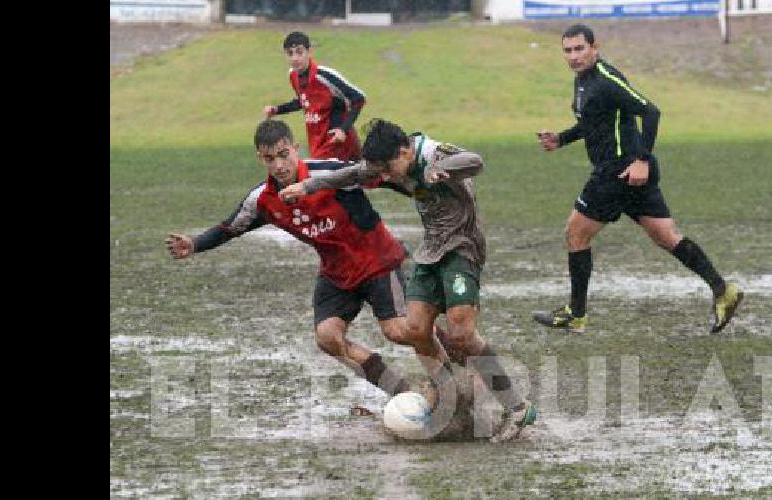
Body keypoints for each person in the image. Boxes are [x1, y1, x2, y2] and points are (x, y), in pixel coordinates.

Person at [280, 118, 539, 443]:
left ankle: (516, 406)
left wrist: (441, 169)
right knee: (416, 330)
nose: (386, 178)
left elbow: (475, 161)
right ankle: (452, 397)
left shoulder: (434, 153)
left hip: (462, 248)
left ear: (404, 151)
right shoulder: (388, 164)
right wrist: (308, 186)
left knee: (461, 332)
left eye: (388, 169)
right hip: (430, 252)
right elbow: (352, 173)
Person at [165, 119, 449, 401]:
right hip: (337, 274)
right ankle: (402, 392)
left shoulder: (328, 172)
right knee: (328, 337)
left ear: (295, 148)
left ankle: (451, 382)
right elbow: (230, 228)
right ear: (260, 159)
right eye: (269, 158)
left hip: (378, 261)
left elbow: (383, 174)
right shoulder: (262, 199)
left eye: (283, 154)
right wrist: (194, 244)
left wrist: (427, 186)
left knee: (399, 331)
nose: (279, 165)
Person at [532, 24, 743, 335]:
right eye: (568, 50)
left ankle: (575, 314)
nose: (574, 56)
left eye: (579, 49)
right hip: (628, 174)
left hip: (616, 172)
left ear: (594, 47)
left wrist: (642, 160)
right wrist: (561, 139)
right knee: (666, 236)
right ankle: (723, 291)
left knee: (575, 233)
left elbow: (651, 112)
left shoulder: (606, 80)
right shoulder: (583, 81)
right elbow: (592, 122)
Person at [262, 31, 367, 161]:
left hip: (336, 143)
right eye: (290, 53)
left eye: (299, 52)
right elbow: (304, 101)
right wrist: (277, 109)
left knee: (315, 178)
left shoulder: (324, 76)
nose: (295, 58)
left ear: (309, 52)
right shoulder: (293, 75)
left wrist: (343, 130)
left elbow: (359, 98)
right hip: (317, 142)